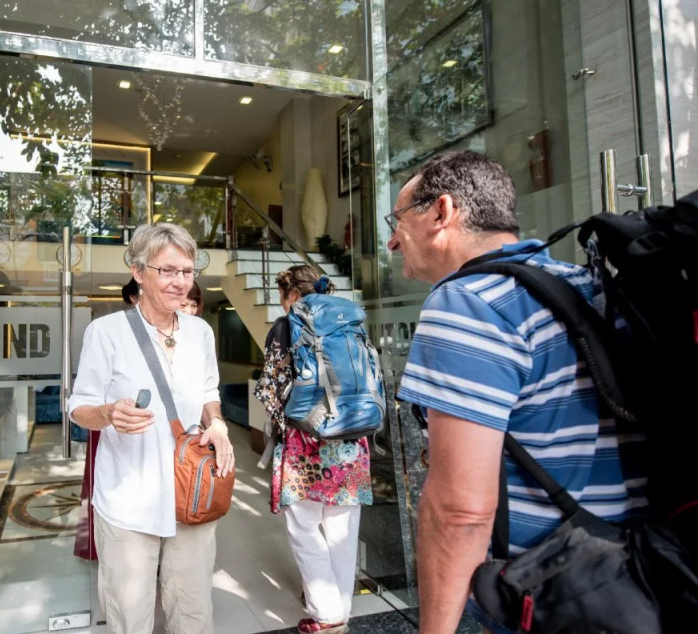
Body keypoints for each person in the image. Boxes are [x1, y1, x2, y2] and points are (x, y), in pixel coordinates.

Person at [388, 151, 647, 634]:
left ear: (442, 212)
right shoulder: (582, 284)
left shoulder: (465, 302)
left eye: (397, 219)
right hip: (637, 578)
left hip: (550, 591)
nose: (392, 240)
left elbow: (460, 510)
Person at [68, 223, 234, 634]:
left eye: (188, 271)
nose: (180, 282)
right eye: (168, 271)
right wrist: (108, 413)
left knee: (194, 610)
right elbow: (78, 407)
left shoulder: (200, 332)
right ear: (138, 272)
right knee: (130, 616)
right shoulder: (106, 333)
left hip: (191, 495)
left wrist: (217, 423)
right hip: (128, 499)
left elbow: (208, 392)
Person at [253, 264, 372, 634]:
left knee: (304, 528)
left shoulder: (285, 325)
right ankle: (341, 609)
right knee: (342, 531)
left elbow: (270, 391)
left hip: (306, 443)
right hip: (352, 438)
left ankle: (326, 613)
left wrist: (288, 421)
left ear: (290, 294)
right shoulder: (350, 321)